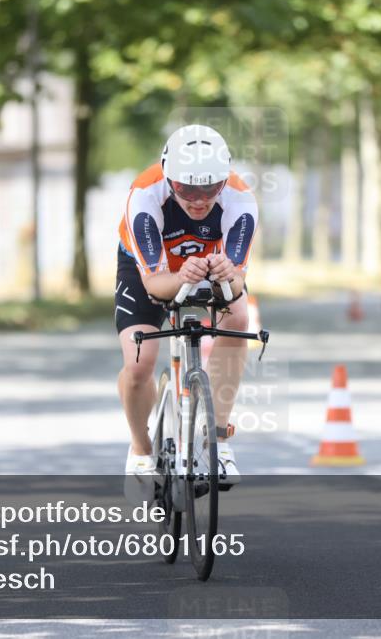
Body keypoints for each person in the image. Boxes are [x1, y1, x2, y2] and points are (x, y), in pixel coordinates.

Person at [116, 124, 257, 494]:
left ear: (224, 180)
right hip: (150, 269)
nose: (198, 199)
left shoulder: (241, 199)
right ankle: (140, 446)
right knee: (138, 362)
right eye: (186, 189)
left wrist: (229, 274)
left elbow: (237, 284)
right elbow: (153, 284)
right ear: (168, 177)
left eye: (210, 188)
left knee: (239, 317)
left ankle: (219, 441)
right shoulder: (145, 195)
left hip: (209, 264)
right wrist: (180, 279)